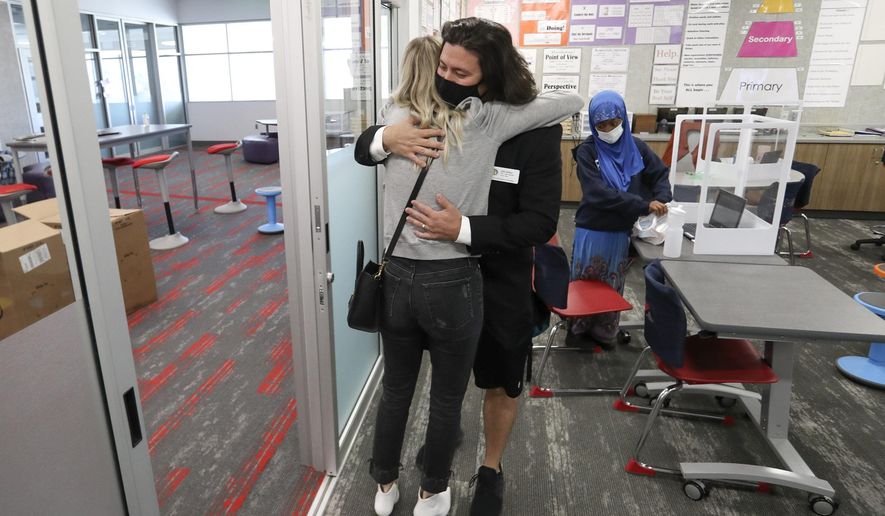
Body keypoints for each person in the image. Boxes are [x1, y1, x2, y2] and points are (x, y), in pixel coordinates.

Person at [358, 22, 583, 516]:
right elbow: (369, 144)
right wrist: (384, 137)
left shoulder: (524, 128)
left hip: (496, 278)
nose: (447, 77)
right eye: (442, 66)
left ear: (489, 75)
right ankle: (434, 476)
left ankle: (490, 468)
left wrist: (463, 229)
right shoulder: (417, 121)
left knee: (496, 381)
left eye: (460, 72)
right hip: (440, 280)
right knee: (429, 394)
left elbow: (540, 220)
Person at [568, 90, 672, 347]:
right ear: (593, 124)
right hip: (594, 229)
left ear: (622, 120)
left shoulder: (636, 147)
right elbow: (597, 194)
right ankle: (578, 332)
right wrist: (643, 204)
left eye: (614, 123)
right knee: (588, 282)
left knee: (612, 283)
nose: (609, 129)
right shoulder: (587, 152)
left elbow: (658, 174)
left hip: (622, 230)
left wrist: (661, 199)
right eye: (601, 125)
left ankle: (604, 333)